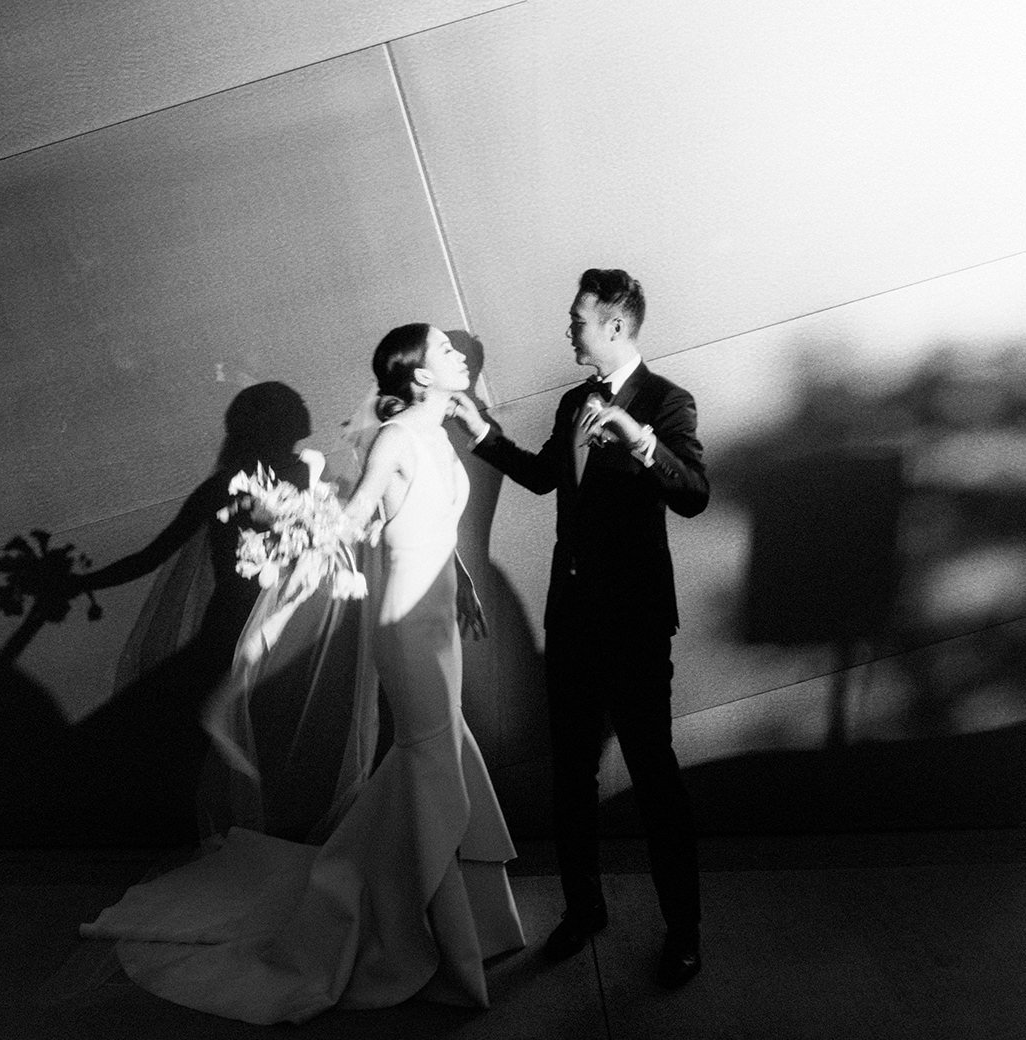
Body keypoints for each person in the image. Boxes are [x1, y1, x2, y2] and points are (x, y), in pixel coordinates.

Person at [79, 324, 525, 1024]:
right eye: (443, 351)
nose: (458, 358)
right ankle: (406, 933)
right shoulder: (396, 440)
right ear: (414, 374)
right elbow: (352, 523)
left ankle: (436, 921)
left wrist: (462, 579)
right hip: (407, 629)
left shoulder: (438, 435)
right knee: (432, 762)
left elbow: (424, 520)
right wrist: (294, 517)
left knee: (432, 763)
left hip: (440, 618)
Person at [451, 268, 709, 989]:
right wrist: (483, 436)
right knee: (571, 773)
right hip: (569, 622)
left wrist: (643, 442)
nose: (570, 329)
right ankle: (583, 908)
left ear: (616, 327)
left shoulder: (667, 401)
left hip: (632, 625)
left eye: (578, 320)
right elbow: (543, 477)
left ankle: (683, 931)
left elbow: (695, 493)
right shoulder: (573, 399)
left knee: (655, 776)